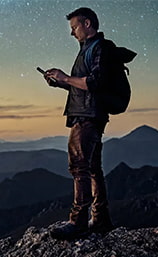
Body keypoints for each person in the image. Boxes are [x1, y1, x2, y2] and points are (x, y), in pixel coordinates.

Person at [43, 7, 114, 240]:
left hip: (87, 117)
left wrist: (65, 77)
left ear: (86, 23)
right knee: (92, 168)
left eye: (73, 27)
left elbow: (95, 82)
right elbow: (82, 85)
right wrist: (59, 82)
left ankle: (78, 222)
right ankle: (100, 219)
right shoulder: (87, 50)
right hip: (87, 114)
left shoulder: (100, 48)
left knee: (78, 167)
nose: (71, 33)